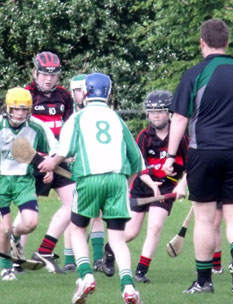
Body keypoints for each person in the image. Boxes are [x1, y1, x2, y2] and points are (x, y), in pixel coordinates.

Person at [163, 18, 233, 294]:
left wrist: (171, 155)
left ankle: (204, 280)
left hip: (203, 152)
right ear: (227, 42)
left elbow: (179, 119)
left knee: (205, 217)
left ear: (202, 43)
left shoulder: (195, 74)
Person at [38, 73, 144, 304]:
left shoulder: (77, 118)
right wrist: (126, 184)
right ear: (109, 94)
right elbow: (136, 160)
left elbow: (63, 150)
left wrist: (51, 163)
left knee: (77, 229)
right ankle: (128, 287)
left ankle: (85, 276)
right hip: (117, 180)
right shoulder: (117, 119)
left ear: (85, 92)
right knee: (117, 238)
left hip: (88, 179)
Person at [102, 90, 188, 283]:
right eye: (152, 111)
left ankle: (141, 271)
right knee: (131, 231)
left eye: (160, 111)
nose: (156, 115)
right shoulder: (143, 137)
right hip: (142, 186)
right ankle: (109, 250)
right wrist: (151, 184)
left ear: (170, 113)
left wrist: (181, 185)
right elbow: (138, 165)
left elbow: (192, 166)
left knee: (155, 226)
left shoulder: (180, 137)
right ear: (147, 114)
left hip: (167, 188)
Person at [0, 87, 59, 280]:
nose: (21, 113)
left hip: (24, 181)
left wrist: (51, 169)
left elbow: (55, 150)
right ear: (8, 108)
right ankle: (6, 267)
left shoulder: (37, 126)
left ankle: (15, 235)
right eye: (16, 109)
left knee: (30, 223)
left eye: (25, 109)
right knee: (2, 229)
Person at [23, 51, 76, 274]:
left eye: (53, 75)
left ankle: (44, 251)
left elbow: (70, 128)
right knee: (28, 211)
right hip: (32, 160)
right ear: (35, 72)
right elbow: (14, 135)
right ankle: (16, 257)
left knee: (76, 202)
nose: (48, 79)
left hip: (58, 158)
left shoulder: (64, 96)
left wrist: (62, 156)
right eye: (44, 74)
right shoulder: (24, 95)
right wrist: (41, 161)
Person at [63, 74, 106, 273]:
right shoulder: (71, 116)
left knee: (97, 213)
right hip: (72, 170)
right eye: (78, 90)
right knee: (72, 213)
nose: (83, 94)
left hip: (94, 169)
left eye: (84, 89)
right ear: (73, 93)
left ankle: (98, 258)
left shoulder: (100, 113)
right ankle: (69, 258)